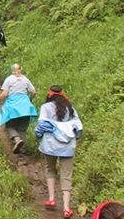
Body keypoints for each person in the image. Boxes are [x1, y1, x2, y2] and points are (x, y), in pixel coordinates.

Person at [35, 85, 83, 219]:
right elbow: (78, 127)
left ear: (50, 95)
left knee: (50, 169)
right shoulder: (70, 108)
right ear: (62, 95)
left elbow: (42, 125)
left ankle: (51, 199)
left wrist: (38, 136)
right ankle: (67, 208)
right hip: (67, 146)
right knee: (66, 175)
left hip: (50, 145)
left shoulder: (46, 107)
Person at [0, 63, 37, 154]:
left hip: (13, 107)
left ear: (12, 71)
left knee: (10, 125)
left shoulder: (9, 79)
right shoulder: (25, 79)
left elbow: (5, 94)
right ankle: (22, 150)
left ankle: (17, 140)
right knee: (22, 129)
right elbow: (33, 92)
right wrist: (30, 100)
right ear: (20, 69)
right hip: (26, 107)